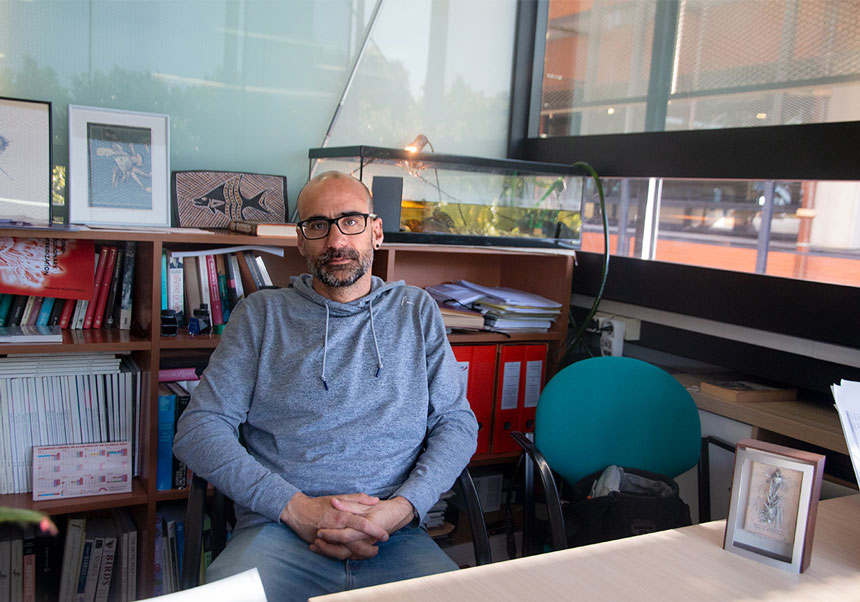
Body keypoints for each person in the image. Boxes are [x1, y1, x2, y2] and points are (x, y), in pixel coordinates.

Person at [173, 170, 478, 601]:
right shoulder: (261, 316)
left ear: (376, 232)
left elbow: (457, 424)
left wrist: (401, 510)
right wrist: (298, 510)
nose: (336, 241)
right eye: (318, 225)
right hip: (279, 531)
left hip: (393, 535)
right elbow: (198, 430)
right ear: (301, 240)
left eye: (350, 221)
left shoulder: (416, 312)